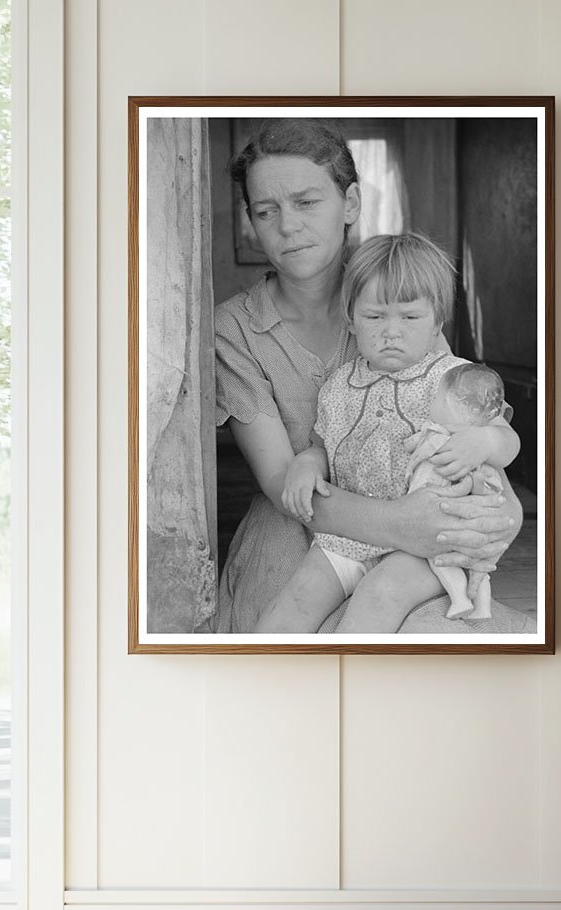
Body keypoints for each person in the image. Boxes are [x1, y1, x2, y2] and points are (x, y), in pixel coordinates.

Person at [214, 119, 523, 634]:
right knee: (286, 630)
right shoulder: (234, 329)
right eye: (266, 211)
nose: (288, 225)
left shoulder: (398, 298)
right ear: (251, 222)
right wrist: (405, 524)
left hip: (420, 523)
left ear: (350, 204)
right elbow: (283, 483)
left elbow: (458, 423)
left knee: (428, 633)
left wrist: (499, 514)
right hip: (304, 530)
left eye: (307, 202)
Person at [255, 233, 518, 634]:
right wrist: (305, 466)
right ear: (351, 319)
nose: (391, 332)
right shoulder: (339, 385)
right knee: (296, 596)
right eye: (375, 317)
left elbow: (508, 440)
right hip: (353, 536)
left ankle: (349, 682)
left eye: (410, 318)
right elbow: (320, 446)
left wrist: (484, 441)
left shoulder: (453, 377)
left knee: (380, 594)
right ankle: (266, 678)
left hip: (430, 544)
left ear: (437, 324)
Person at [405, 361, 510, 620]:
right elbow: (489, 487)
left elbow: (413, 445)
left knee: (439, 558)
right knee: (477, 566)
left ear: (451, 404)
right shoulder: (478, 449)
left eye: (438, 398)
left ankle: (460, 599)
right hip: (465, 519)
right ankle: (482, 608)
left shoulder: (438, 434)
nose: (433, 403)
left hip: (439, 513)